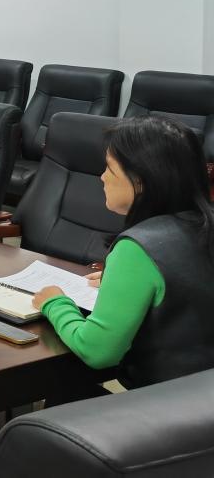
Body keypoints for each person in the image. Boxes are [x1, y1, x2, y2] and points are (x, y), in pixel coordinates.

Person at [31, 116, 214, 388]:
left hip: (172, 404)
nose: (102, 177)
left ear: (140, 180)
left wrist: (55, 303)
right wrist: (124, 283)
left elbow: (97, 351)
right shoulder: (202, 225)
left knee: (65, 394)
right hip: (203, 394)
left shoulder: (137, 249)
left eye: (109, 168)